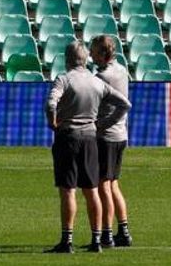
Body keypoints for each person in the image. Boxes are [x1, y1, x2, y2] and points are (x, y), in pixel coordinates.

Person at [45, 41, 131, 254]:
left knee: (68, 191)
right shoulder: (96, 81)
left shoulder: (64, 79)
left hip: (68, 137)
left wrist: (52, 121)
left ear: (67, 59)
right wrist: (100, 124)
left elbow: (50, 103)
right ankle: (97, 240)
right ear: (85, 59)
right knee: (93, 190)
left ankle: (67, 240)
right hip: (91, 139)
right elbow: (125, 104)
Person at [90, 35, 133, 248]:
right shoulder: (122, 69)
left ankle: (106, 234)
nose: (90, 54)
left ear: (102, 54)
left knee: (102, 185)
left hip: (106, 137)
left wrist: (100, 124)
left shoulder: (101, 77)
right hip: (121, 135)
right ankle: (123, 230)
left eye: (94, 51)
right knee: (113, 183)